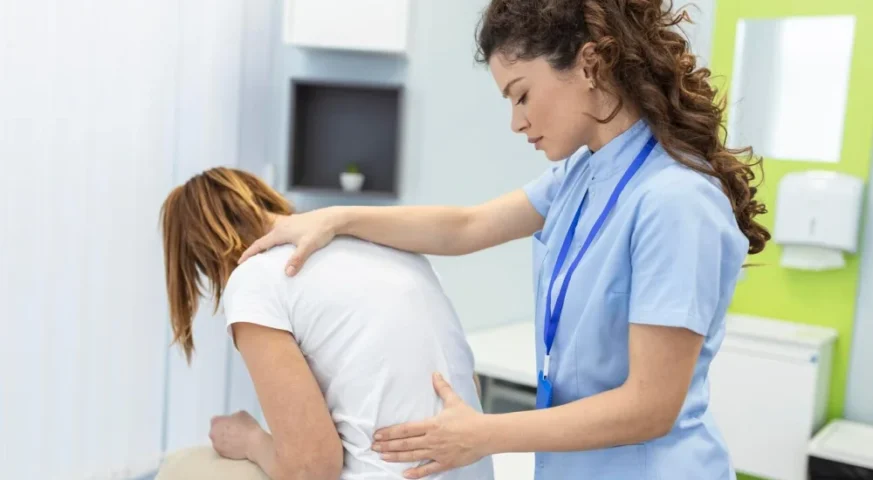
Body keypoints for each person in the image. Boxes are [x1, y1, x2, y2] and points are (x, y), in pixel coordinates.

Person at [238, 0, 771, 479]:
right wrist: (336, 219)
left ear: (590, 65)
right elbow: (466, 227)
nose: (516, 122)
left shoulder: (676, 199)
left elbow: (650, 406)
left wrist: (481, 434)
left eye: (522, 95)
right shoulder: (581, 175)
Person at [156, 167, 494, 480]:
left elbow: (312, 467)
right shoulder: (385, 240)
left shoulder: (254, 277)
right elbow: (469, 384)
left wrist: (249, 440)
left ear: (204, 254)